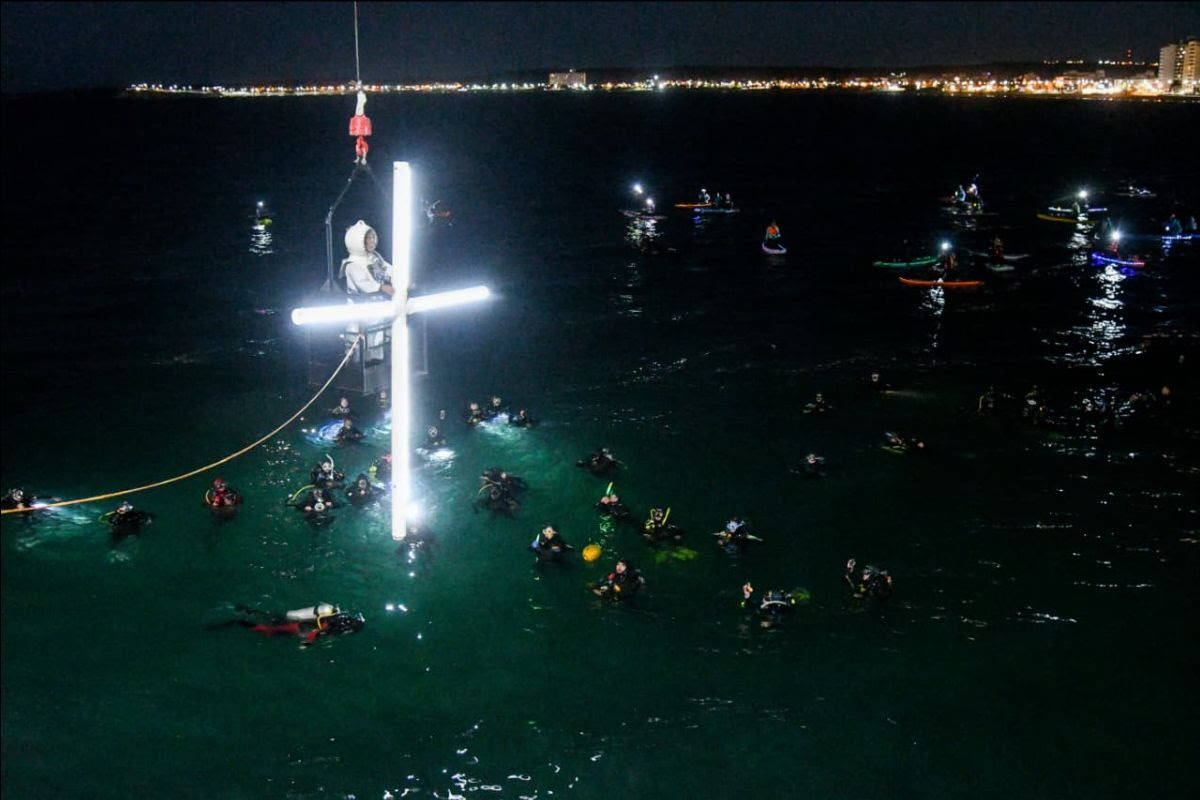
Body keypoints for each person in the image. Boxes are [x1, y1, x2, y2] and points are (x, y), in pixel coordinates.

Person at [211, 603, 364, 646]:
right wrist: (306, 645)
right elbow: (314, 633)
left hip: (295, 625)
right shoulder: (334, 626)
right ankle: (236, 621)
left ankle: (245, 611)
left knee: (269, 618)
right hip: (294, 628)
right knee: (268, 629)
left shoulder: (336, 618)